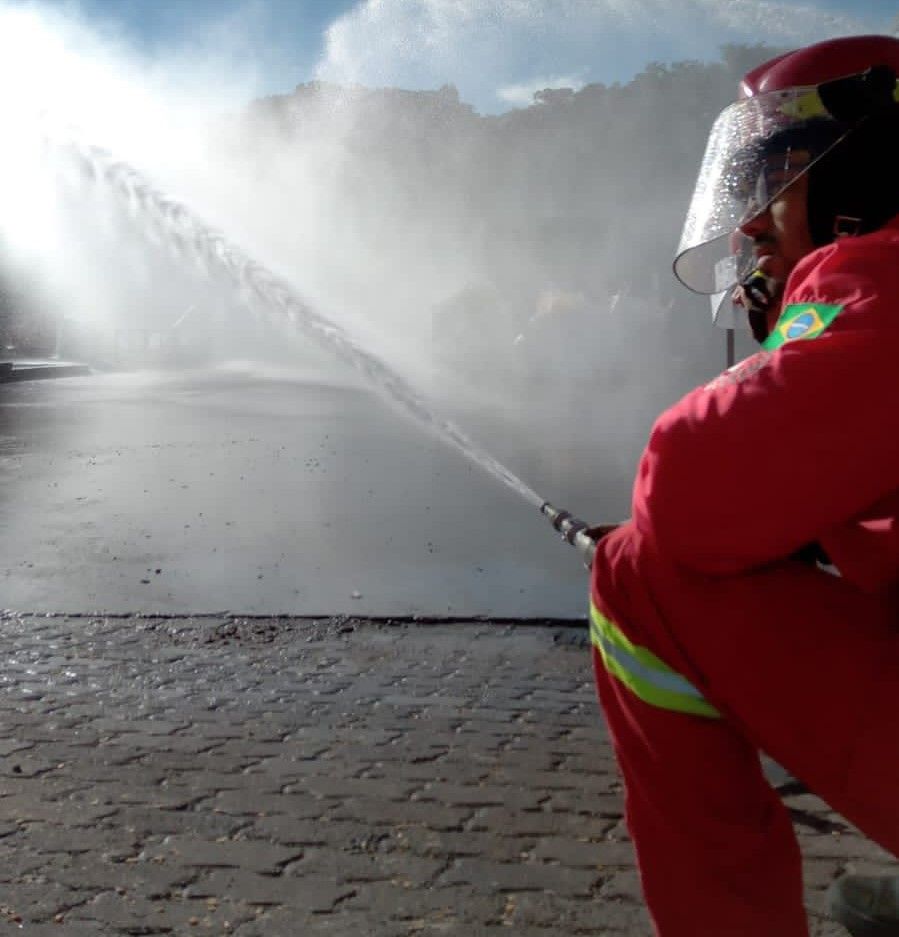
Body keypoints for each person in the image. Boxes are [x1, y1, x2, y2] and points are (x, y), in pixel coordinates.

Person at [587, 34, 899, 937]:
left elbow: (689, 494)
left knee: (638, 573)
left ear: (865, 176)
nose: (749, 224)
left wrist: (799, 322)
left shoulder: (877, 274)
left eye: (779, 177)